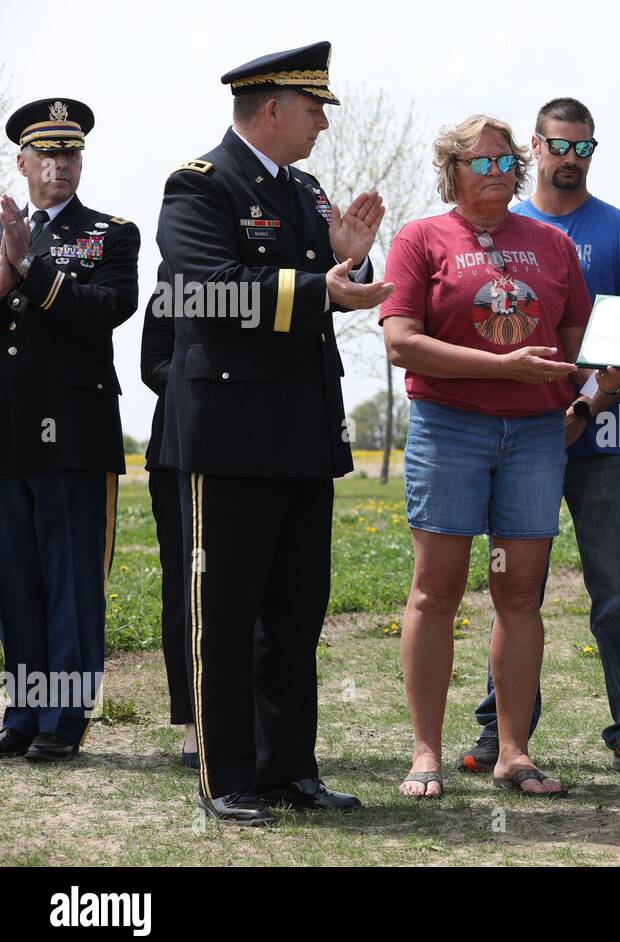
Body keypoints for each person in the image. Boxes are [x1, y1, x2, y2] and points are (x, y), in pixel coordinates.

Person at [154, 42, 392, 825]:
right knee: (223, 613)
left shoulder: (306, 190)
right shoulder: (200, 186)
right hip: (228, 437)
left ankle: (289, 769)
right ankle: (226, 776)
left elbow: (330, 289)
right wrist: (323, 283)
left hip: (298, 430)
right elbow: (204, 291)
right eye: (315, 107)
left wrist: (349, 262)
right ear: (273, 109)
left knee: (296, 611)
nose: (324, 123)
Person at [381, 114, 594, 799]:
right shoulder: (419, 238)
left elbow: (578, 337)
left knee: (519, 595)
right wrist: (504, 368)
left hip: (536, 435)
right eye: (483, 161)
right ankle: (425, 754)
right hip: (451, 430)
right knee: (435, 591)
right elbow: (401, 343)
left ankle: (513, 752)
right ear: (453, 170)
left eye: (507, 161)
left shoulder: (553, 243)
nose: (500, 171)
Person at [461, 97, 620, 778]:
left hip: (597, 442)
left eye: (584, 147)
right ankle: (501, 731)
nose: (571, 158)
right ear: (535, 146)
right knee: (513, 592)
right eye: (559, 145)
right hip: (516, 441)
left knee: (614, 590)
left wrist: (582, 408)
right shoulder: (501, 230)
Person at [0, 98, 139, 762]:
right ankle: (22, 711)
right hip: (7, 434)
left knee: (72, 581)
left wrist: (31, 268)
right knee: (16, 581)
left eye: (72, 153)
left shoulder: (111, 233)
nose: (61, 165)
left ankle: (64, 719)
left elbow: (105, 309)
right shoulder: (3, 228)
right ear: (22, 162)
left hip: (76, 435)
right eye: (48, 154)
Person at [141, 271, 195, 769]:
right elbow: (151, 364)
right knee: (183, 588)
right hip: (178, 450)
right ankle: (193, 722)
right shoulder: (170, 284)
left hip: (261, 453)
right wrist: (206, 388)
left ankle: (258, 719)